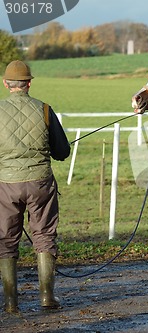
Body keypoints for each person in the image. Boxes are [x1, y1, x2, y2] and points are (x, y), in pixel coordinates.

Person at [0, 60, 70, 313]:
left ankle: (10, 302)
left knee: (6, 239)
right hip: (41, 182)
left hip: (6, 185)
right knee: (44, 235)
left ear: (6, 84)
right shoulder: (44, 110)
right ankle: (46, 297)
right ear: (29, 83)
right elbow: (62, 151)